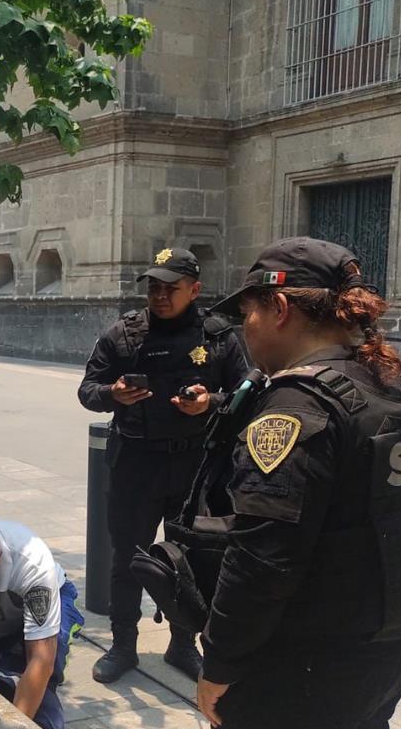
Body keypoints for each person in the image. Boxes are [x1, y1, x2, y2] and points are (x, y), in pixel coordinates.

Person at [183, 237, 401, 729]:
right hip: (385, 655)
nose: (245, 331)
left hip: (300, 667)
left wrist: (220, 664)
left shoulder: (298, 406)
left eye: (248, 313)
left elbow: (263, 560)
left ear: (280, 308)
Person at [76, 247, 248, 683]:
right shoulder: (125, 334)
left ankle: (181, 644)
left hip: (193, 468)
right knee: (126, 559)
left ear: (195, 290)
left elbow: (248, 395)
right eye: (153, 287)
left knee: (190, 559)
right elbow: (87, 390)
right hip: (135, 463)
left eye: (170, 288)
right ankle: (123, 646)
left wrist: (212, 403)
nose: (159, 295)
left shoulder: (219, 337)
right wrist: (113, 393)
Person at [0, 514, 84, 729]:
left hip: (50, 598)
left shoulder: (31, 560)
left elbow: (41, 660)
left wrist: (16, 724)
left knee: (42, 672)